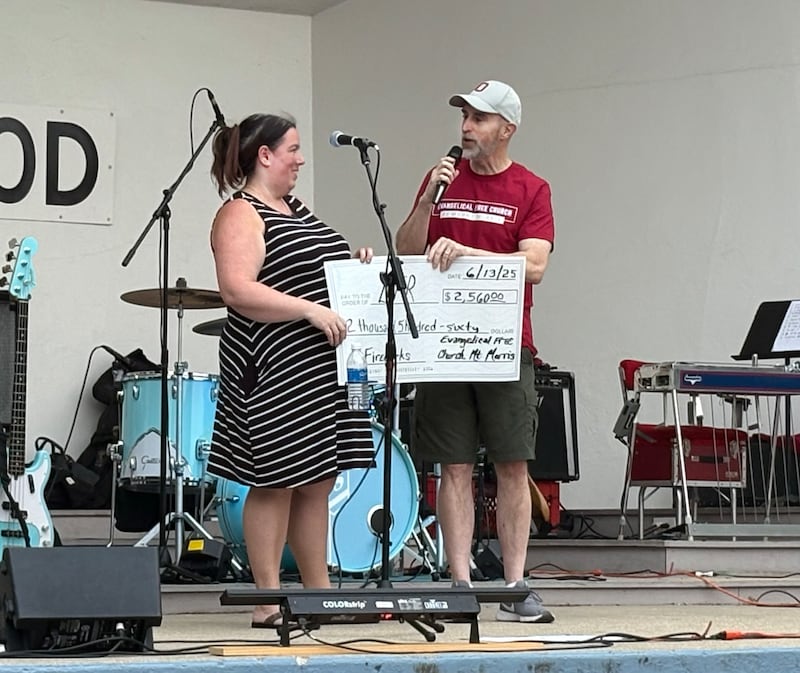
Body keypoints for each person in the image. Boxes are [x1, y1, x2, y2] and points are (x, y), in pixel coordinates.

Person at [395, 80, 555, 623]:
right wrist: (424, 203)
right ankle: (459, 581)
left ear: (506, 129)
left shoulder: (530, 188)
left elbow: (535, 265)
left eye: (479, 118)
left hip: (505, 344)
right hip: (443, 346)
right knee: (453, 465)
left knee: (512, 465)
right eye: (464, 116)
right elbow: (407, 251)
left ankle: (514, 584)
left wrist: (467, 253)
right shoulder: (442, 179)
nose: (465, 127)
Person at [208, 113, 375, 629]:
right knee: (275, 480)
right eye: (293, 150)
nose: (301, 159)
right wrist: (308, 309)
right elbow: (237, 289)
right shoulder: (241, 212)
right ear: (264, 155)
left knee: (318, 480)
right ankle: (266, 602)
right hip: (271, 363)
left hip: (317, 365)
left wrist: (353, 263)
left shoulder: (296, 209)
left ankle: (319, 597)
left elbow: (308, 267)